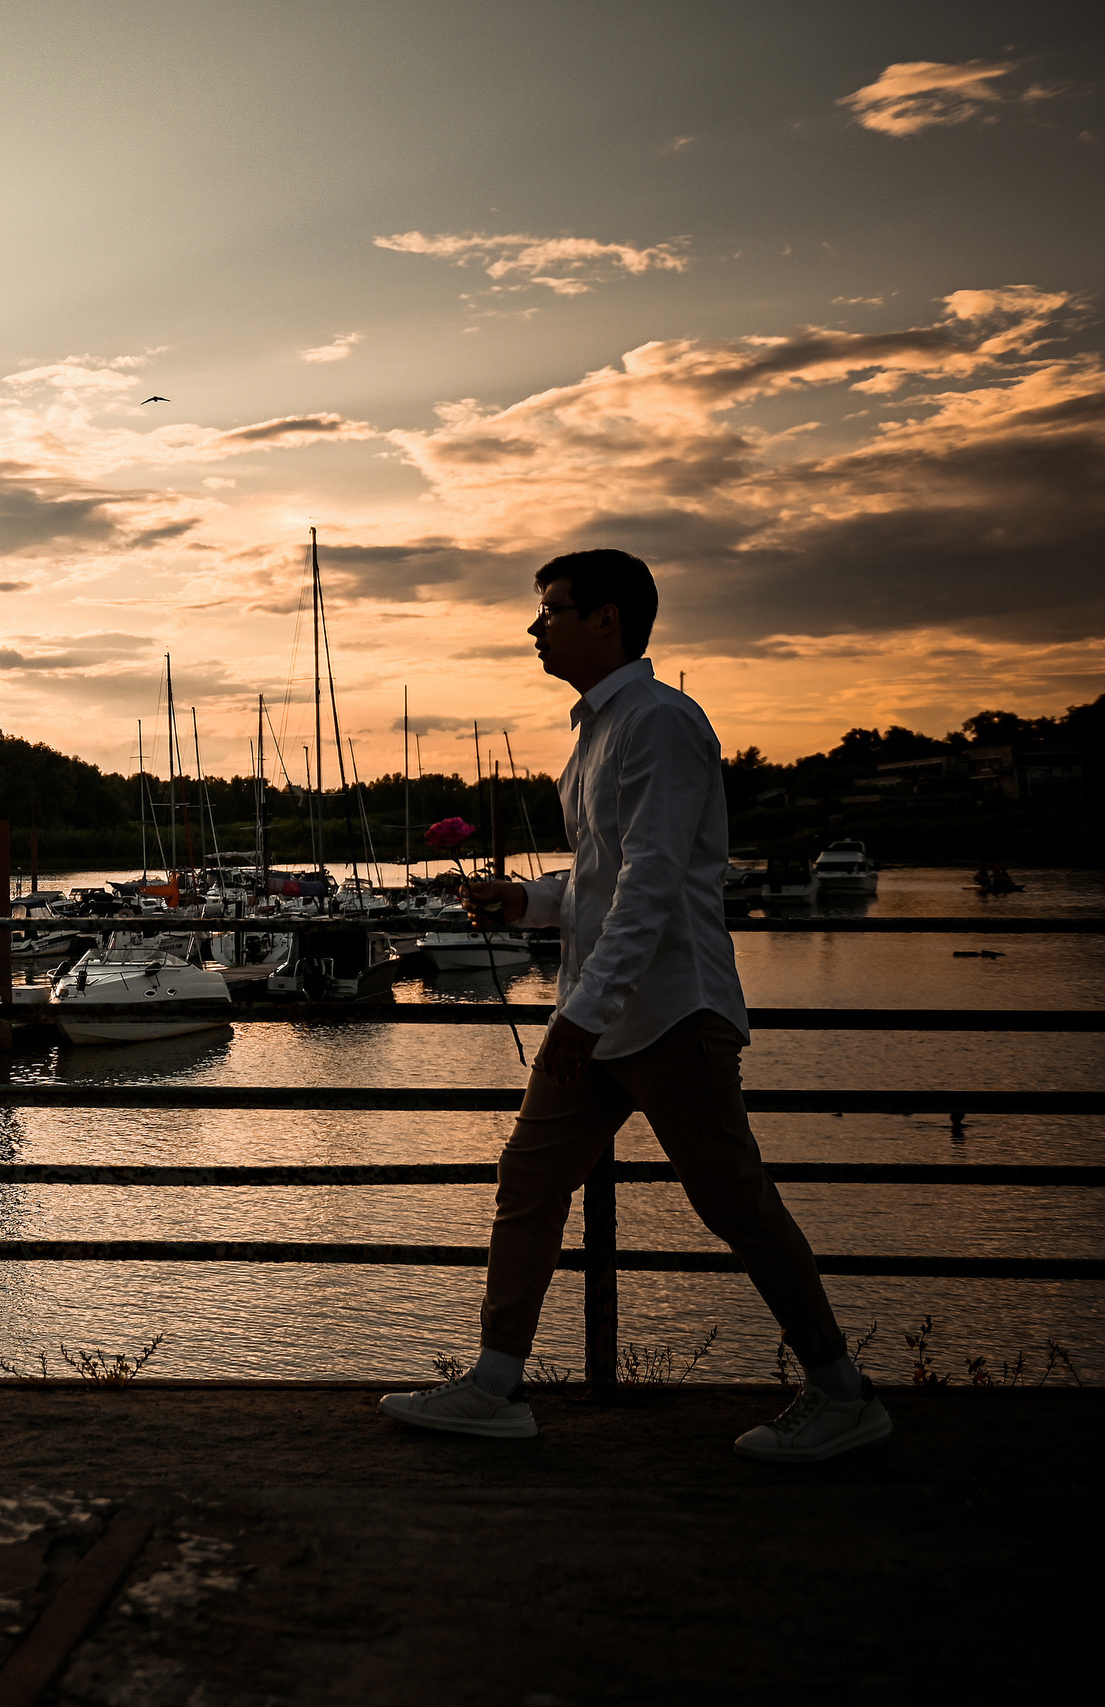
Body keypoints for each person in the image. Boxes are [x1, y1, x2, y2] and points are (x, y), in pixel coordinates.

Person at [378, 549, 890, 1463]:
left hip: (670, 1011)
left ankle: (842, 1391)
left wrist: (581, 1012)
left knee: (733, 1200)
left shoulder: (658, 722)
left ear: (607, 618)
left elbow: (654, 882)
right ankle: (495, 1386)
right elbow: (604, 878)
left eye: (550, 610)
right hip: (604, 1012)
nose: (536, 628)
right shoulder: (598, 732)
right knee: (529, 1182)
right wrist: (528, 901)